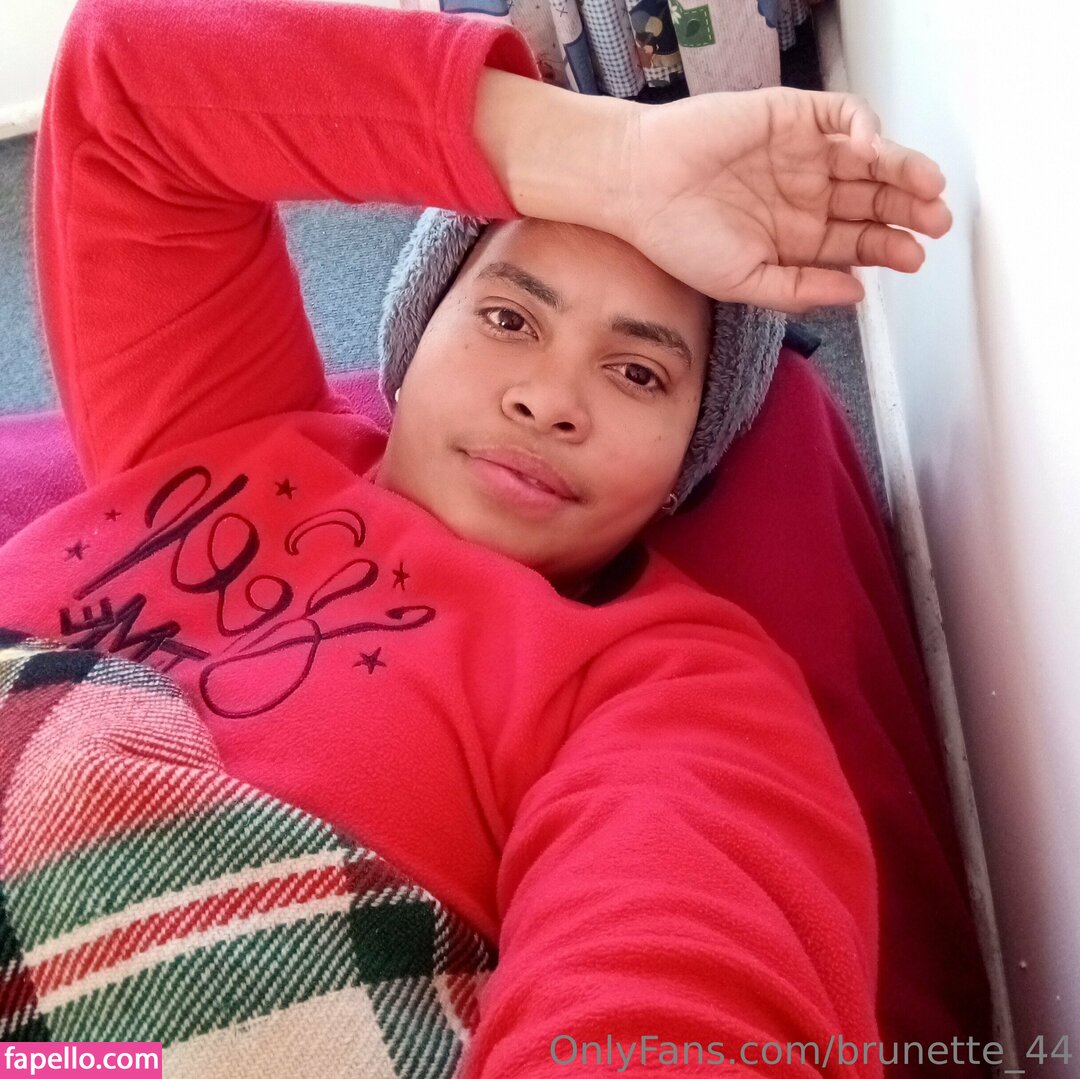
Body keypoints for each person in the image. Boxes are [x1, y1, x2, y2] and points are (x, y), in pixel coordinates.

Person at [0, 0, 953, 1072]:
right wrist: (609, 163)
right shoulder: (221, 425)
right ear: (410, 345)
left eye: (638, 371)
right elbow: (129, 77)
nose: (549, 399)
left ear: (686, 464)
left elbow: (683, 987)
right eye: (509, 318)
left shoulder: (679, 688)